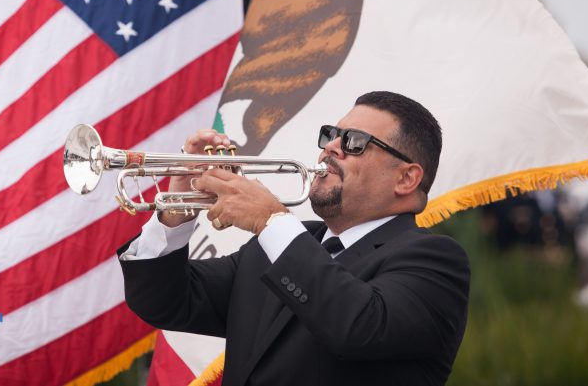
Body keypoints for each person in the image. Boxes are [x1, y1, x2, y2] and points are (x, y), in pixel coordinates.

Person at [118, 91, 470, 386]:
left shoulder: (434, 261)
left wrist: (271, 222)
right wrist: (177, 208)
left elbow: (358, 325)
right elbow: (163, 302)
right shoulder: (277, 245)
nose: (330, 147)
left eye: (354, 142)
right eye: (331, 135)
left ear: (406, 179)